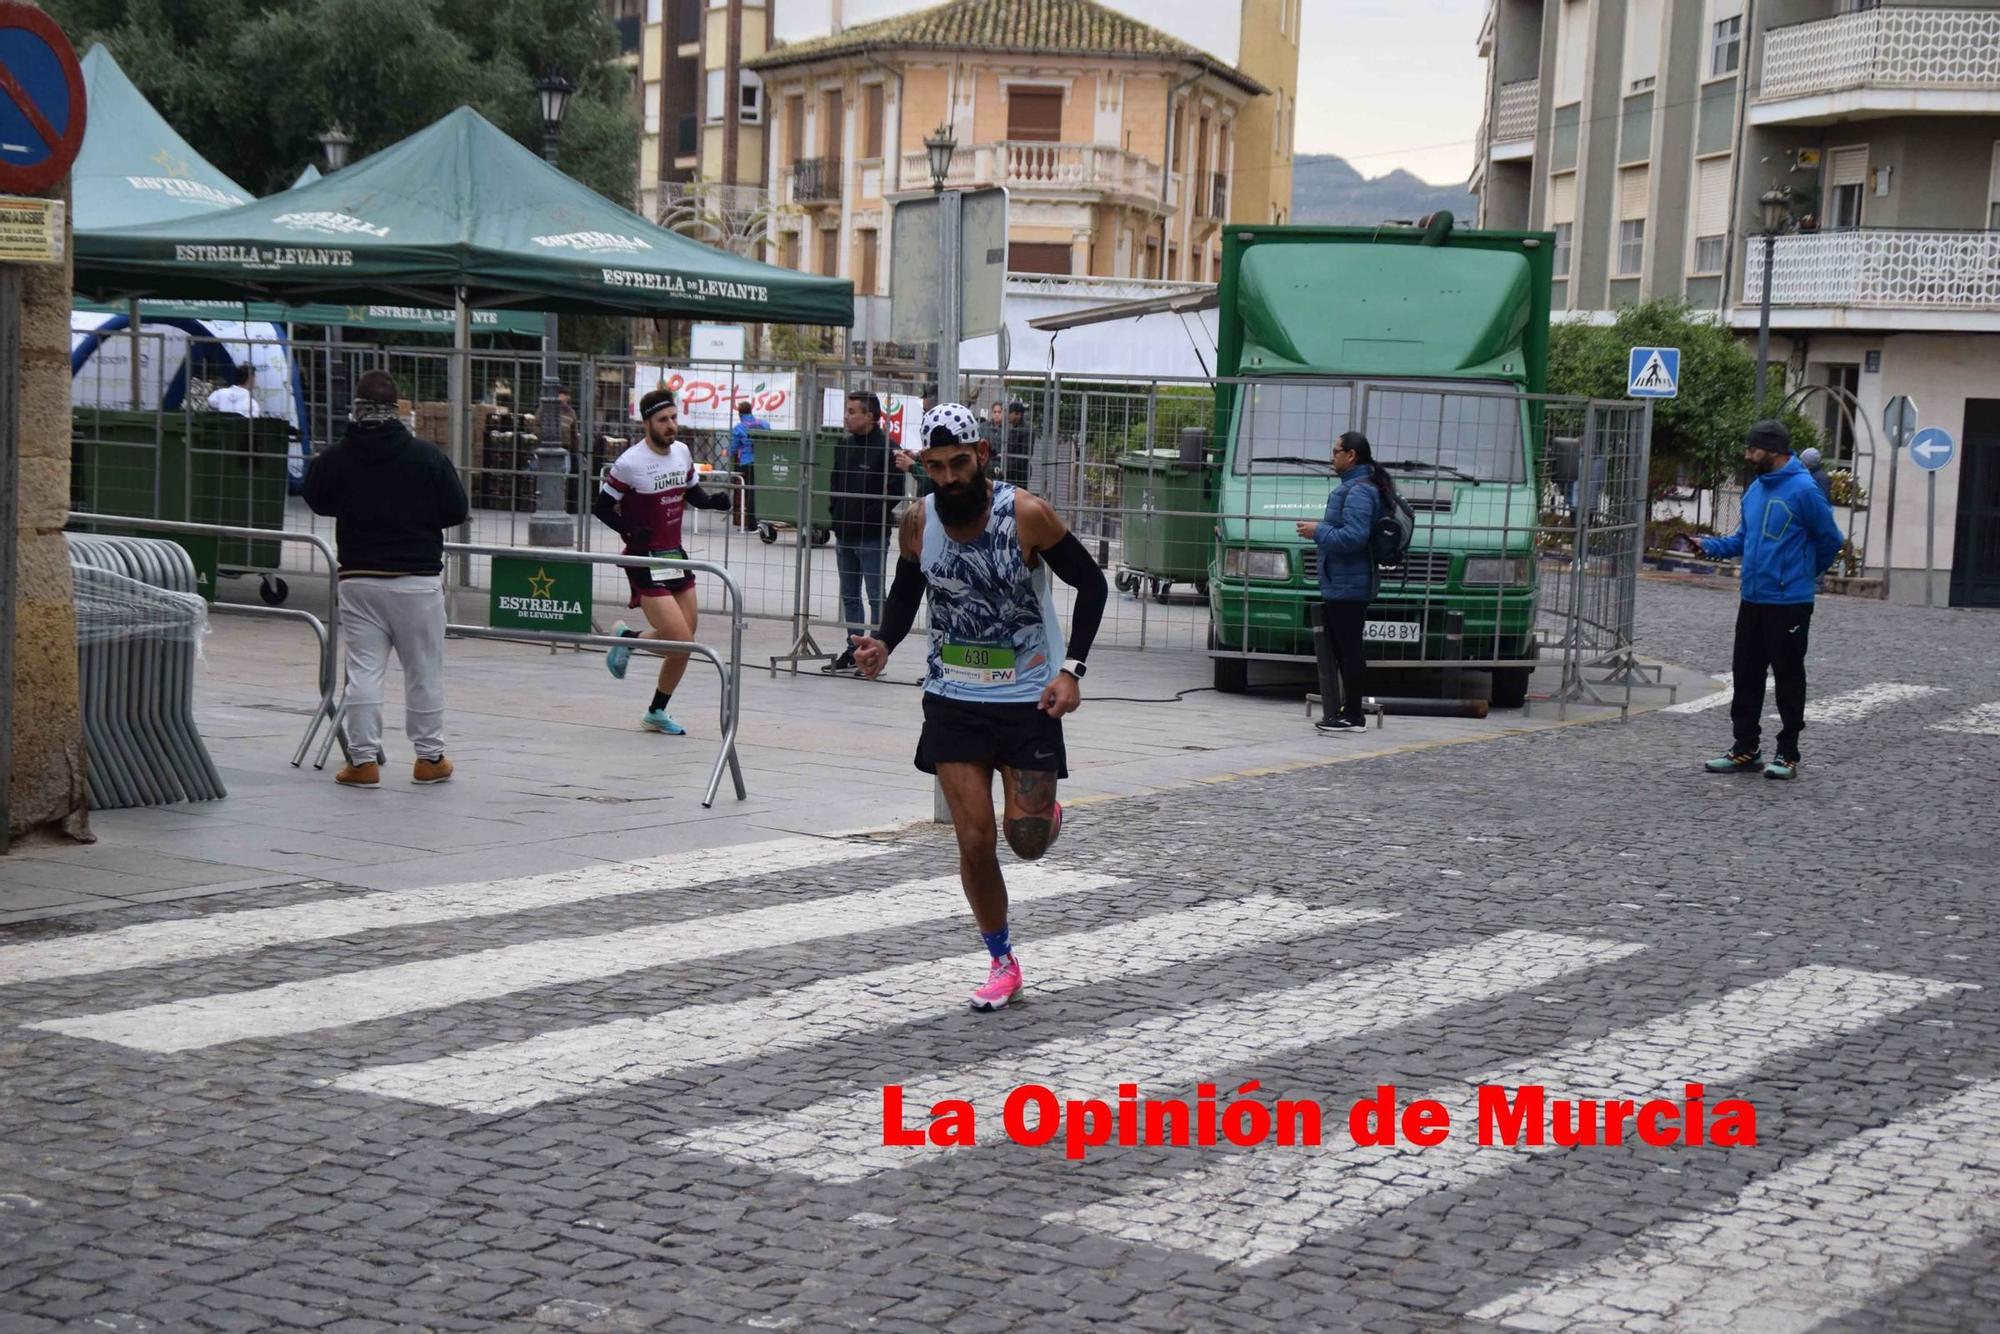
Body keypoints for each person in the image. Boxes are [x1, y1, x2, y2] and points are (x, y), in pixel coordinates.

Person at [849, 403, 1109, 1011]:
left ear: (983, 456)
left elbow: (1092, 586)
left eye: (959, 464)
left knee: (1026, 839)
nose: (948, 479)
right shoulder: (917, 523)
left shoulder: (1026, 517)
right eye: (936, 467)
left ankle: (1045, 814)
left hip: (1028, 698)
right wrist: (883, 641)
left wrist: (1073, 669)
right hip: (953, 698)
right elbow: (907, 589)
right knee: (974, 840)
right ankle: (1001, 959)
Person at [302, 369, 468, 788]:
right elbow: (455, 508)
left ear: (355, 409)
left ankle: (362, 762)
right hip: (417, 580)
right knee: (424, 670)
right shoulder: (426, 456)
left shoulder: (337, 457)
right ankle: (429, 758)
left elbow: (316, 497)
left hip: (359, 578)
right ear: (398, 411)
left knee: (363, 671)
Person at [1699, 419, 1846, 781]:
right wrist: (1710, 547)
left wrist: (1805, 575)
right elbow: (1743, 539)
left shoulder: (1804, 490)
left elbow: (1830, 538)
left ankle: (1788, 752)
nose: (1748, 455)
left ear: (1774, 450)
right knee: (1745, 674)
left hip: (1790, 602)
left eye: (1753, 449)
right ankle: (1745, 748)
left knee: (1788, 676)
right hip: (1753, 599)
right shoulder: (1755, 490)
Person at [596, 388, 734, 735]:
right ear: (647, 423)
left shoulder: (683, 453)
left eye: (674, 417)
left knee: (684, 643)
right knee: (680, 641)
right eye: (663, 420)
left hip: (675, 556)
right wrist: (629, 531)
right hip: (645, 560)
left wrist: (713, 503)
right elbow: (600, 506)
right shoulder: (629, 463)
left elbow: (693, 493)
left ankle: (655, 709)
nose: (671, 425)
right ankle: (628, 641)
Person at [1296, 431, 1390, 733]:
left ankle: (1353, 715)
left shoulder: (1359, 491)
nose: (1331, 457)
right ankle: (1345, 711)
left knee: (1350, 651)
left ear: (1351, 455)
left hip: (1350, 584)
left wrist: (1318, 531)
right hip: (1343, 581)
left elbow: (1354, 536)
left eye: (1335, 451)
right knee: (1344, 649)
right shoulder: (1355, 487)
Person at [826, 392, 914, 673]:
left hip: (872, 535)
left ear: (871, 416)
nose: (847, 416)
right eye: (847, 411)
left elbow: (895, 493)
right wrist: (837, 517)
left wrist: (871, 516)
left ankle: (875, 647)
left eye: (853, 411)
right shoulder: (844, 446)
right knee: (849, 594)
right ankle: (854, 649)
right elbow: (834, 484)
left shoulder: (888, 449)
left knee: (876, 594)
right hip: (845, 533)